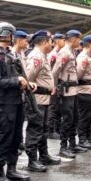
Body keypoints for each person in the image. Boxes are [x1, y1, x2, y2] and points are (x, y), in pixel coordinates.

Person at [0, 21, 33, 181]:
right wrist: (16, 81)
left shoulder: (9, 54)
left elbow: (19, 74)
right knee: (4, 137)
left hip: (17, 100)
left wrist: (27, 82)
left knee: (16, 137)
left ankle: (11, 169)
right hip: (5, 102)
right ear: (7, 35)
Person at [24, 30, 60, 170]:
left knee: (43, 129)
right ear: (45, 42)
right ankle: (32, 160)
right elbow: (28, 77)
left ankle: (43, 155)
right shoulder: (36, 57)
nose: (52, 44)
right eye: (51, 41)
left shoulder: (42, 55)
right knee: (35, 129)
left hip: (44, 99)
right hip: (37, 99)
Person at [52, 29, 82, 159]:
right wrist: (53, 86)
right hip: (67, 91)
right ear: (74, 39)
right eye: (78, 39)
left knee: (75, 117)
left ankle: (72, 144)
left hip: (73, 90)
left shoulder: (71, 51)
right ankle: (63, 147)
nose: (79, 42)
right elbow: (55, 71)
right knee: (68, 118)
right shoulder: (64, 52)